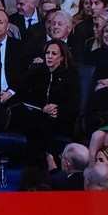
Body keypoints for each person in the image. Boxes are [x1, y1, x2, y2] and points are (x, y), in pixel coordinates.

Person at [17, 38, 80, 172]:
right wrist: (42, 107)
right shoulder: (38, 72)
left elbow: (74, 103)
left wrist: (58, 109)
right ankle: (47, 158)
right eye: (47, 53)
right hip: (40, 115)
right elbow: (27, 95)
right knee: (34, 122)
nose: (49, 56)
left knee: (37, 126)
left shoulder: (71, 75)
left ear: (62, 57)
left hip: (61, 118)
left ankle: (37, 166)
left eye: (53, 54)